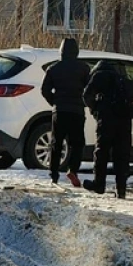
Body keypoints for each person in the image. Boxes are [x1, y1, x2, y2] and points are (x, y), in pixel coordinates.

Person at [40, 37, 91, 187]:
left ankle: (54, 174)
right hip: (77, 111)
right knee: (77, 143)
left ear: (61, 51)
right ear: (76, 51)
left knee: (56, 143)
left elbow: (44, 90)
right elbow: (89, 89)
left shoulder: (53, 68)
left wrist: (54, 101)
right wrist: (84, 102)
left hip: (59, 111)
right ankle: (73, 170)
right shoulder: (84, 68)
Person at [82, 60, 132, 199]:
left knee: (102, 152)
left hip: (107, 119)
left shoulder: (99, 76)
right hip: (125, 121)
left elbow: (86, 96)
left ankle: (99, 184)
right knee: (121, 155)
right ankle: (121, 189)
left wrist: (95, 110)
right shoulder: (122, 79)